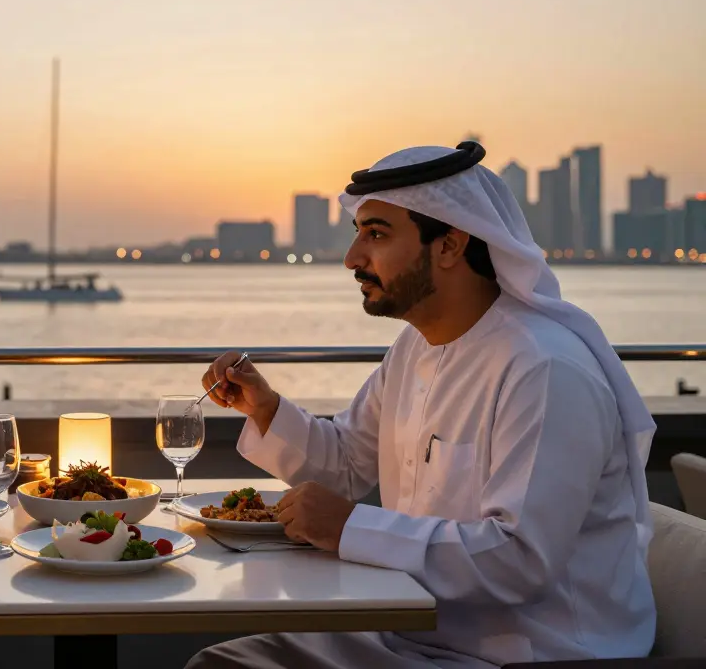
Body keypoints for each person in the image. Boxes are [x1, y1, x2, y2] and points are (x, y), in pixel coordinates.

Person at [188, 142, 657, 668]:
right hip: (418, 633)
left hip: (531, 651)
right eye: (358, 234)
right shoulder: (415, 347)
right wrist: (266, 409)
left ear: (450, 245)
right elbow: (347, 463)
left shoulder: (544, 368)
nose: (353, 259)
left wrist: (349, 528)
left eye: (377, 235)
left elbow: (519, 559)